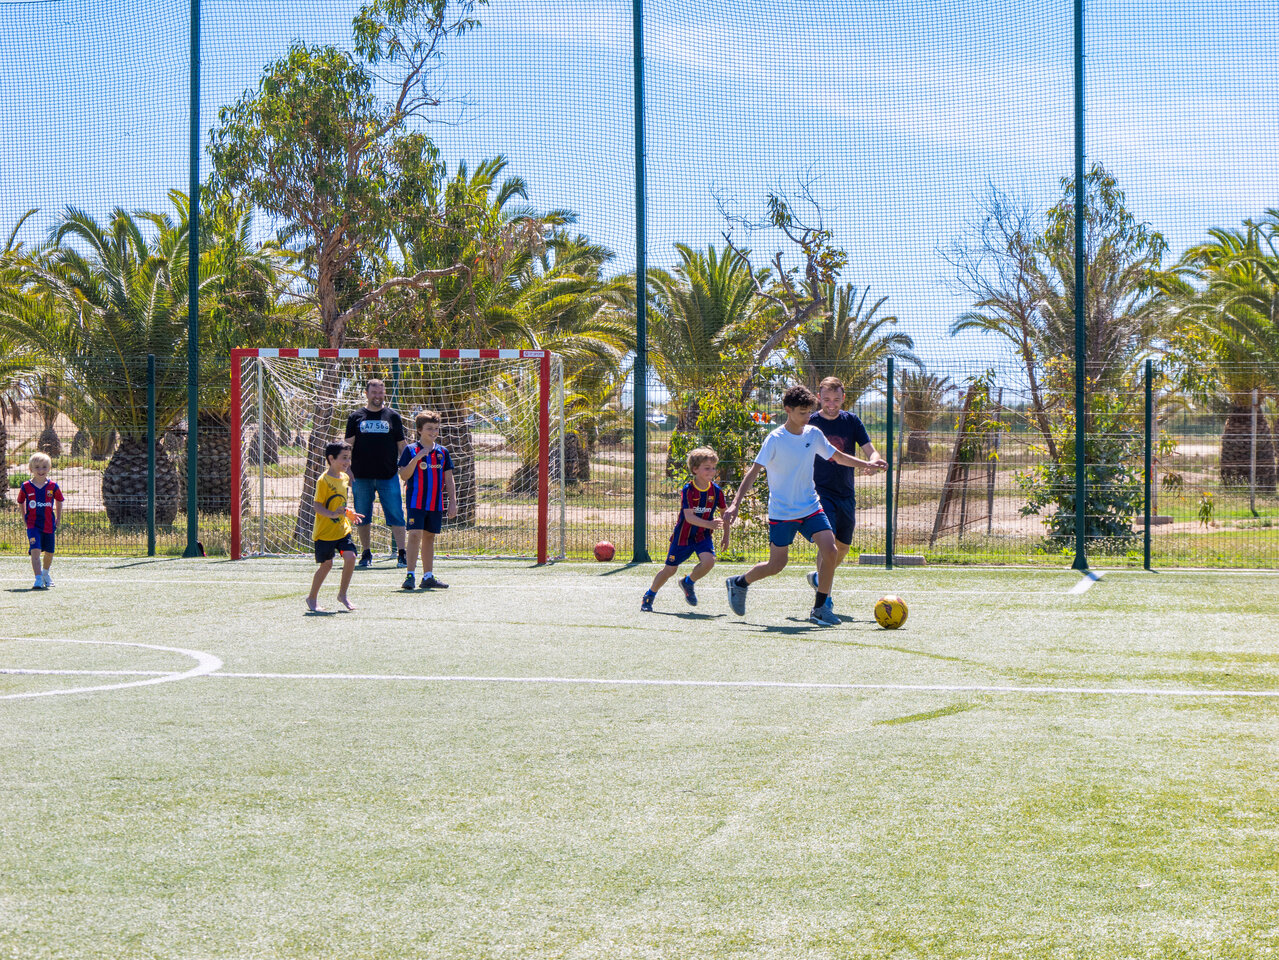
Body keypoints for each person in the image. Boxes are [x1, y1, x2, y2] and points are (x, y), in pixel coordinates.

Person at [722, 383, 886, 625]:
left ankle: (820, 608)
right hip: (782, 511)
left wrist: (867, 465)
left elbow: (838, 456)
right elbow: (753, 472)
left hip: (810, 506)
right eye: (801, 413)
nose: (807, 417)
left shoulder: (813, 434)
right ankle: (739, 582)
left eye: (809, 412)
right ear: (788, 410)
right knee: (777, 565)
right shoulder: (775, 439)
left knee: (830, 550)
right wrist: (735, 503)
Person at [805, 376, 888, 613]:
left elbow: (870, 450)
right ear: (819, 398)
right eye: (827, 399)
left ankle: (820, 579)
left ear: (843, 398)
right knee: (828, 544)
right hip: (819, 491)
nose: (832, 404)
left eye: (837, 399)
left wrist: (873, 461)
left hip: (846, 492)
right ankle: (825, 598)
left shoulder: (852, 421)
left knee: (842, 547)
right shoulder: (810, 423)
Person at [642, 447, 731, 612]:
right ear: (695, 469)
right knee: (670, 569)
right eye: (707, 468)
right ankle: (649, 595)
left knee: (709, 561)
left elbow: (725, 515)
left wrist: (726, 536)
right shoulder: (688, 490)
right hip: (683, 537)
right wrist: (711, 524)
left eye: (713, 468)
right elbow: (689, 517)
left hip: (702, 537)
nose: (711, 471)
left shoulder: (717, 491)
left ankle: (688, 582)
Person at [344, 378, 408, 569]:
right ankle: (366, 553)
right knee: (363, 517)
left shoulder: (393, 416)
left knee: (396, 515)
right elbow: (348, 446)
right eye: (374, 392)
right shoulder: (356, 417)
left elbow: (402, 446)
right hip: (360, 477)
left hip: (388, 476)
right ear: (367, 394)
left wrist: (406, 470)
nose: (378, 396)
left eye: (381, 392)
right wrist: (347, 469)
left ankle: (402, 554)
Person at [397, 410, 457, 590]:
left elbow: (449, 479)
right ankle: (410, 575)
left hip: (435, 503)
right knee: (415, 535)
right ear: (420, 430)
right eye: (429, 428)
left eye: (436, 429)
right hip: (416, 502)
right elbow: (403, 475)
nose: (433, 432)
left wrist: (453, 501)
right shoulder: (410, 450)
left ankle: (428, 576)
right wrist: (418, 457)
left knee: (429, 538)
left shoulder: (442, 452)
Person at [307, 441, 361, 613]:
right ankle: (312, 598)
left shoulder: (345, 478)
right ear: (331, 458)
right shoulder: (323, 480)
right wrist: (332, 514)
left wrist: (348, 512)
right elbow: (317, 506)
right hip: (325, 533)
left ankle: (342, 595)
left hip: (342, 530)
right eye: (344, 458)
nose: (348, 462)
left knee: (351, 557)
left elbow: (340, 503)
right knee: (327, 565)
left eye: (349, 458)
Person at [20, 452, 63, 591]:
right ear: (30, 469)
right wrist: (24, 517)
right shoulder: (26, 486)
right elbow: (20, 501)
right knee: (35, 551)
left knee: (50, 552)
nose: (41, 470)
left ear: (49, 468)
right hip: (33, 525)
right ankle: (38, 579)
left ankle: (45, 574)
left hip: (49, 524)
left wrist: (59, 518)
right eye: (37, 467)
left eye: (44, 467)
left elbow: (60, 500)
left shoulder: (53, 486)